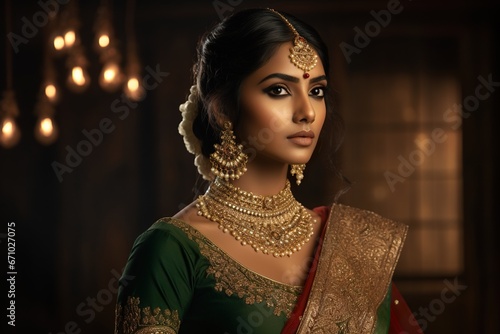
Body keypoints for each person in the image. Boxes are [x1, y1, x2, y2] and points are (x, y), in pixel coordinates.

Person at [115, 8, 421, 334]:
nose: (306, 112)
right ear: (222, 109)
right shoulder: (171, 249)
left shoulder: (354, 248)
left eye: (316, 91)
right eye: (278, 90)